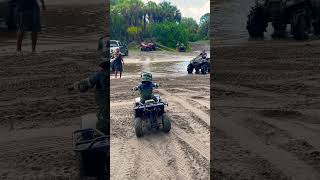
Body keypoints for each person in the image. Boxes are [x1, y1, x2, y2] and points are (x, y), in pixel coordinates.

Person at [68, 58, 109, 135]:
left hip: (105, 108)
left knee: (103, 120)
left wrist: (74, 86)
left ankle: (101, 137)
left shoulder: (100, 74)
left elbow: (86, 84)